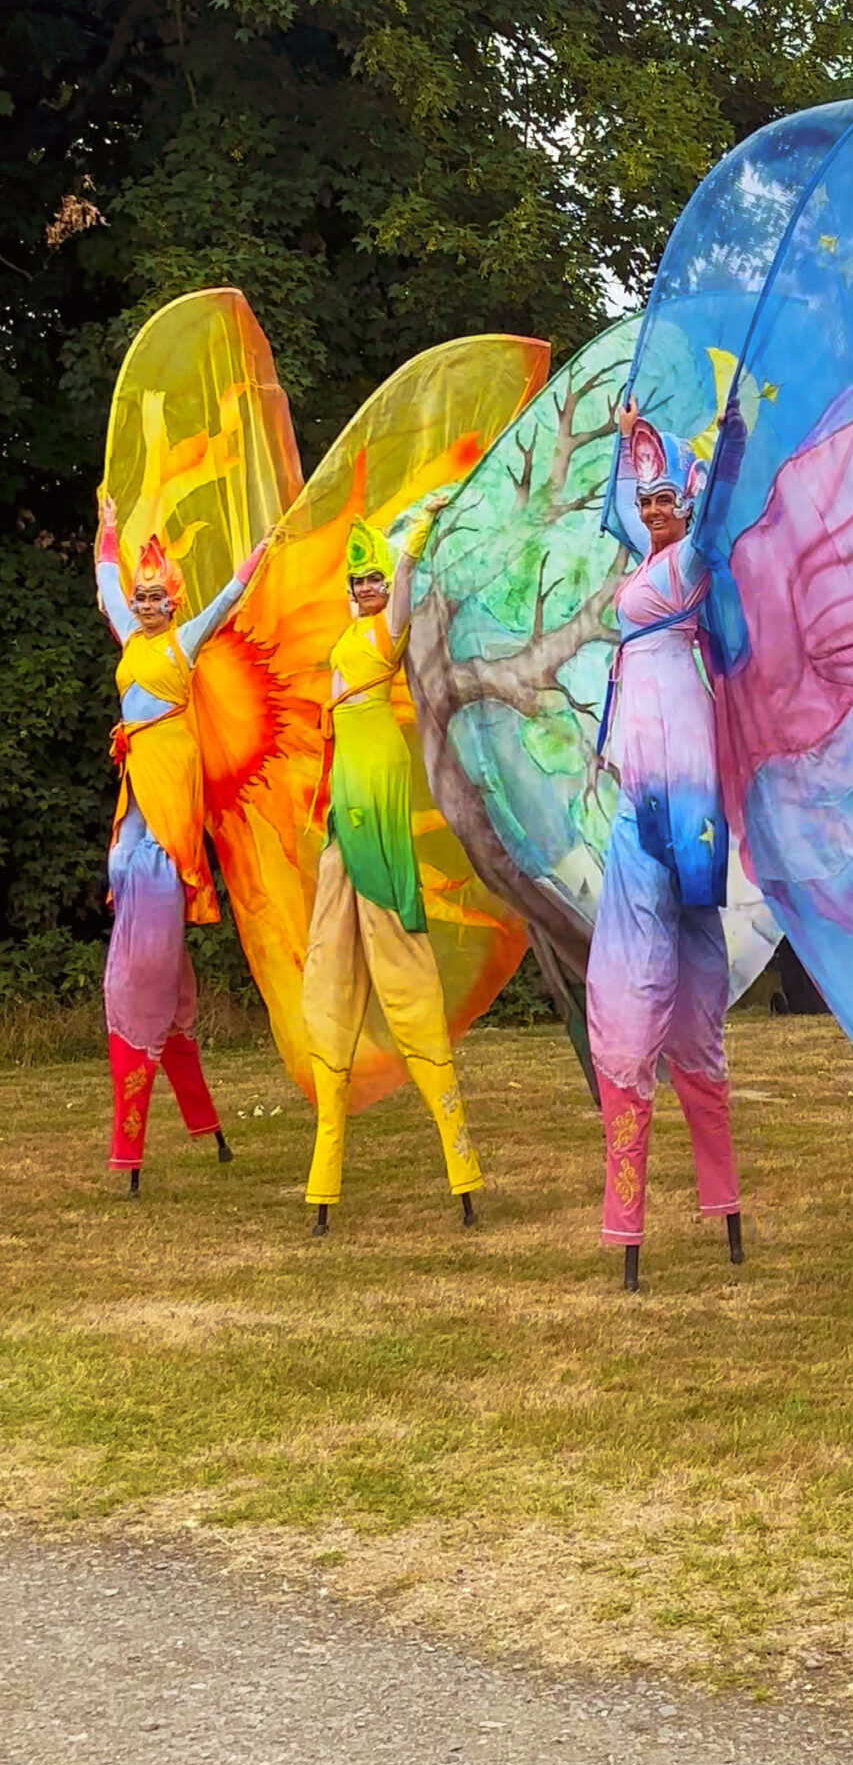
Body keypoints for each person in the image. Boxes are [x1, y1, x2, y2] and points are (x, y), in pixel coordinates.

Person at [587, 395, 745, 1291]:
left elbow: (715, 506)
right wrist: (624, 442)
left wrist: (726, 441)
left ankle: (711, 1195)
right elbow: (620, 502)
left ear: (685, 510)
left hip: (679, 769)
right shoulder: (648, 554)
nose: (650, 512)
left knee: (680, 965)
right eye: (646, 504)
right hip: (644, 768)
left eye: (664, 502)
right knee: (645, 969)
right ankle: (636, 1209)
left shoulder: (687, 566)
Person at [300, 504, 483, 1232]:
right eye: (361, 578)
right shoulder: (347, 636)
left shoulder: (382, 635)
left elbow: (404, 588)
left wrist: (411, 544)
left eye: (375, 578)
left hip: (373, 805)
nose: (371, 586)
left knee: (404, 984)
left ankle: (462, 1167)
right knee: (329, 978)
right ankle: (321, 1181)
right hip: (343, 818)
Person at [94, 497, 262, 1191]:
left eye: (157, 596)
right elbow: (105, 577)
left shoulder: (178, 642)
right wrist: (107, 526)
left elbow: (228, 597)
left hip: (172, 787)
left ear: (173, 602)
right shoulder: (130, 640)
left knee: (147, 937)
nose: (146, 603)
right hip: (137, 789)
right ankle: (202, 1121)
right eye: (140, 596)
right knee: (127, 878)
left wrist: (263, 549)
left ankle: (130, 1142)